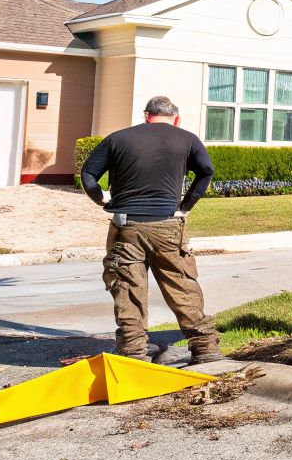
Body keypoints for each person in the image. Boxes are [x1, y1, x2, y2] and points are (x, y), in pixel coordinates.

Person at [81, 95, 222, 364]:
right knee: (181, 285)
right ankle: (205, 349)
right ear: (176, 118)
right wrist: (186, 205)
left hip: (126, 226)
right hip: (169, 225)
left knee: (128, 287)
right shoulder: (187, 139)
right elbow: (206, 170)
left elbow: (88, 173)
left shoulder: (118, 138)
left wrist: (102, 199)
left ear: (146, 115)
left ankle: (134, 353)